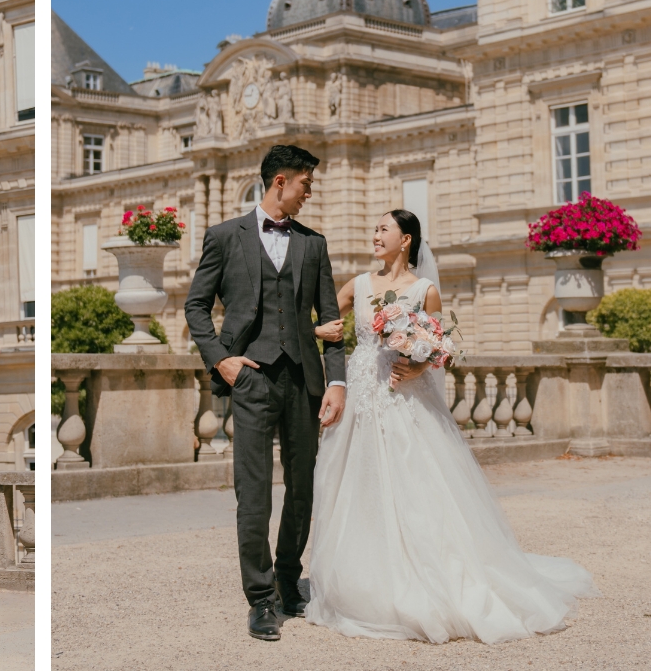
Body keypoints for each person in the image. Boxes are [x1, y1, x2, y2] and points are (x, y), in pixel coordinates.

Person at [305, 210, 599, 644]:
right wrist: (317, 327)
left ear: (406, 240)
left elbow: (437, 348)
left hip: (404, 395)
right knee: (358, 483)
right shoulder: (359, 285)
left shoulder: (425, 290)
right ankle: (361, 577)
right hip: (362, 390)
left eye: (383, 229)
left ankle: (426, 577)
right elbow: (317, 314)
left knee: (415, 485)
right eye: (375, 229)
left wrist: (419, 367)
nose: (375, 235)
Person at [185, 144, 346, 641]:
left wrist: (336, 381)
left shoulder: (313, 244)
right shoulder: (223, 236)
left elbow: (333, 324)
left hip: (303, 379)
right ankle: (259, 598)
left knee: (302, 490)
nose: (308, 194)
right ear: (280, 182)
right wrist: (222, 359)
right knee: (252, 492)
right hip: (250, 378)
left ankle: (287, 579)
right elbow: (196, 307)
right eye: (305, 185)